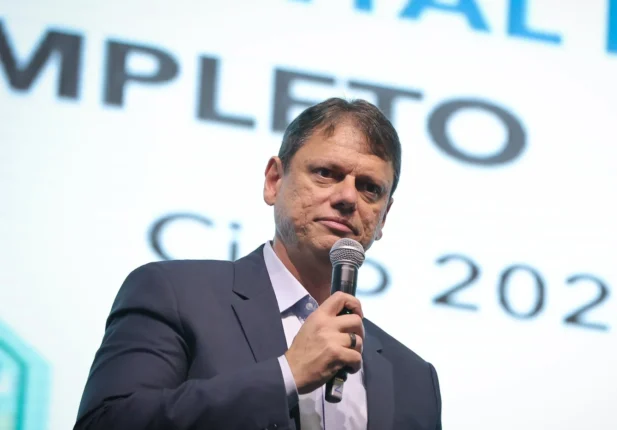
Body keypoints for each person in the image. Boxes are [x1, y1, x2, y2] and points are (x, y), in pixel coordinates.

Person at [74, 98, 442, 430]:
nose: (347, 197)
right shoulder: (174, 294)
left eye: (369, 188)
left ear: (383, 217)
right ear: (274, 181)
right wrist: (287, 374)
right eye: (326, 173)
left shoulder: (414, 380)